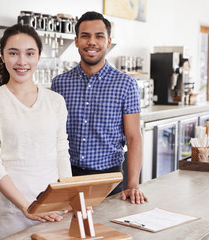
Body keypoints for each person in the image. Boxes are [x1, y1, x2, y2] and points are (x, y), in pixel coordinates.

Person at [0, 23, 72, 240]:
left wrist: (69, 196)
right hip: (8, 212)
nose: (22, 61)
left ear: (38, 56)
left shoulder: (55, 102)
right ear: (2, 56)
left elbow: (61, 151)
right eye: (13, 53)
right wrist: (26, 205)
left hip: (51, 208)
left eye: (30, 53)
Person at [51, 11, 147, 204]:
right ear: (77, 41)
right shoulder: (59, 83)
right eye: (85, 36)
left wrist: (133, 184)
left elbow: (134, 137)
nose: (91, 42)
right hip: (67, 175)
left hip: (109, 179)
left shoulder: (125, 84)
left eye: (99, 36)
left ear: (108, 41)